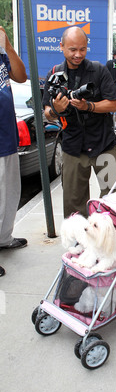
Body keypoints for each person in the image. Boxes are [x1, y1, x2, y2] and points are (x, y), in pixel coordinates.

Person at [43, 26, 116, 218]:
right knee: (74, 204)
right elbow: (47, 113)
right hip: (72, 146)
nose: (78, 54)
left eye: (82, 49)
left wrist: (89, 106)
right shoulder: (54, 74)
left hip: (103, 143)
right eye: (72, 50)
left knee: (114, 199)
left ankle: (111, 243)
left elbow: (113, 104)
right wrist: (57, 110)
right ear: (61, 47)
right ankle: (77, 244)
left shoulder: (98, 70)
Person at [0, 26, 28, 267]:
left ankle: (4, 237)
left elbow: (21, 76)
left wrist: (7, 46)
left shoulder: (1, 53)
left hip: (6, 135)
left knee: (9, 193)